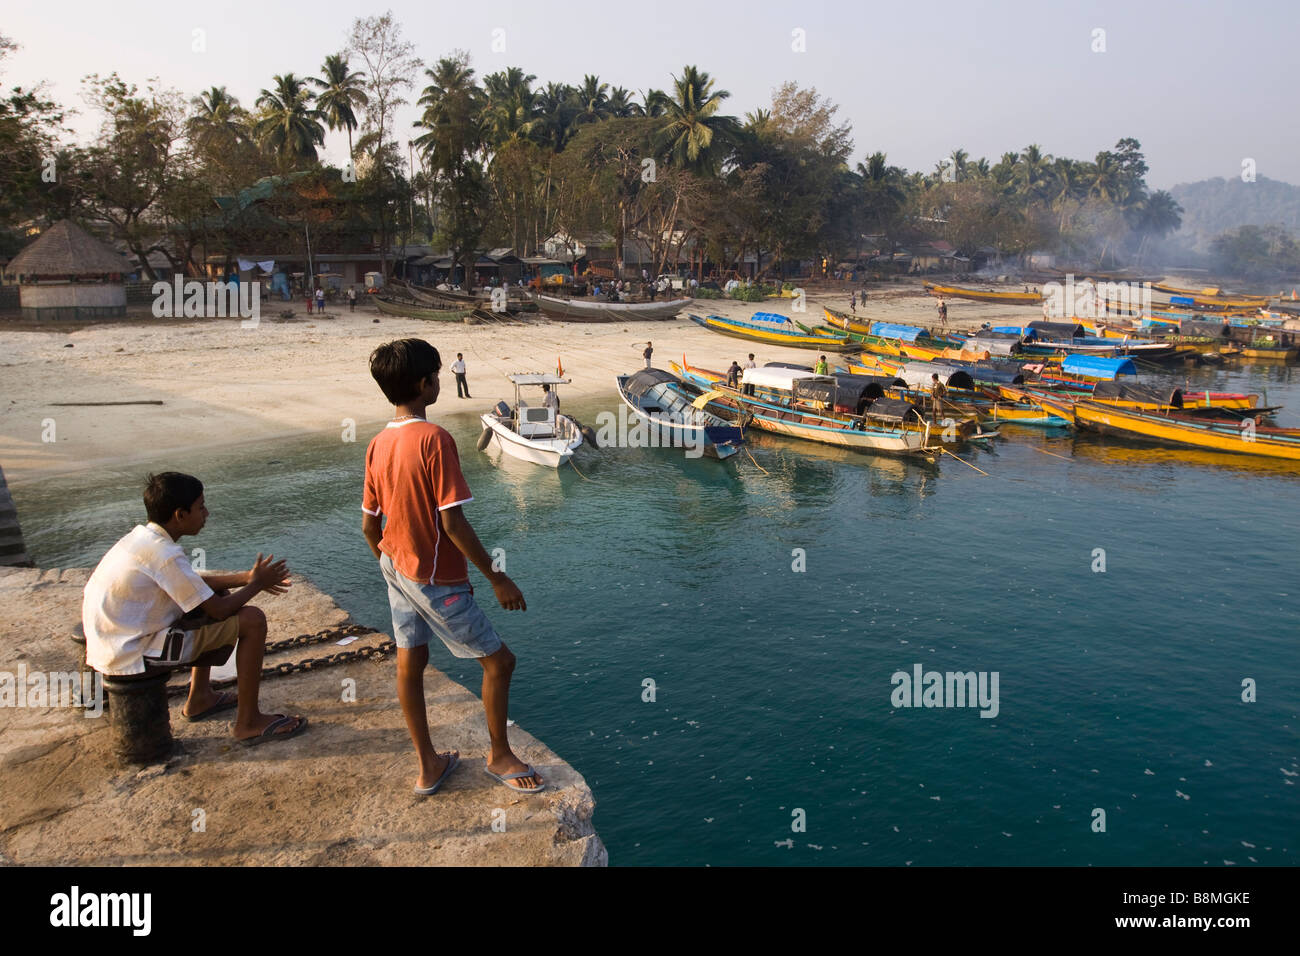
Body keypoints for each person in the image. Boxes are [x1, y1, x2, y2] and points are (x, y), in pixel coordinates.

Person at [363, 339, 543, 796]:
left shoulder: (378, 443)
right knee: (500, 662)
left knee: (411, 659)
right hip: (431, 577)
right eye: (436, 376)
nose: (438, 382)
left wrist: (392, 567)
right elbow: (452, 521)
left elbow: (369, 524)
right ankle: (499, 754)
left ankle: (428, 765)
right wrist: (496, 577)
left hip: (395, 566)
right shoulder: (434, 439)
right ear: (425, 385)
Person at [81, 472, 304, 744]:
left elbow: (193, 584)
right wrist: (256, 585)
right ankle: (248, 722)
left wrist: (247, 577)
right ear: (180, 515)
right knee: (253, 620)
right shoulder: (164, 554)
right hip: (132, 654)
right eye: (200, 507)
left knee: (215, 592)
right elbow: (220, 611)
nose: (206, 513)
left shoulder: (144, 540)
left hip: (116, 641)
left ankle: (200, 697)